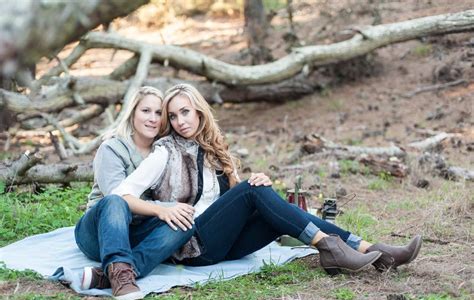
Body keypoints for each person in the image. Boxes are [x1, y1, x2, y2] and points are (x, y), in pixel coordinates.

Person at [112, 83, 422, 278]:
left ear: (199, 112)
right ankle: (334, 248)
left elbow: (230, 203)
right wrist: (162, 209)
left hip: (222, 242)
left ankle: (372, 250)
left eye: (185, 112)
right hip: (192, 245)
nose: (181, 122)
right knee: (254, 193)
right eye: (174, 117)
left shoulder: (212, 148)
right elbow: (122, 194)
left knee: (266, 199)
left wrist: (249, 182)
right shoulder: (166, 152)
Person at [74, 86, 197, 300]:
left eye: (159, 113)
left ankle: (115, 275)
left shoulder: (166, 151)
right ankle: (120, 276)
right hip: (100, 233)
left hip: (136, 232)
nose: (152, 119)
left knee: (185, 222)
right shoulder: (112, 148)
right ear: (132, 113)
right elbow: (118, 197)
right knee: (115, 201)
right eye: (146, 111)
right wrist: (162, 209)